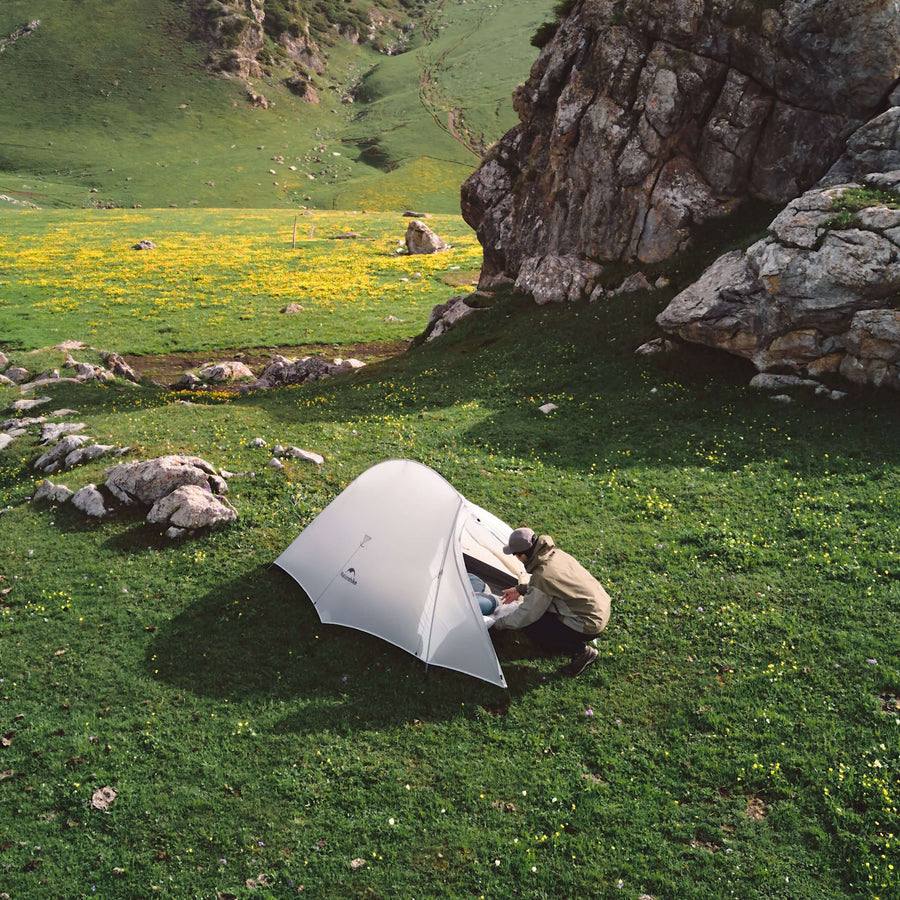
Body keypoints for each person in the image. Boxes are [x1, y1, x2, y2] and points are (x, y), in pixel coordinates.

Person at [492, 527, 611, 676]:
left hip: (590, 623)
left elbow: (527, 615)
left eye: (516, 555)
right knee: (541, 614)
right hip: (601, 608)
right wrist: (520, 589)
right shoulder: (555, 554)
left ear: (522, 556)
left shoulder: (542, 576)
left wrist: (498, 624)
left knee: (533, 625)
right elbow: (552, 583)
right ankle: (564, 640)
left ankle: (582, 652)